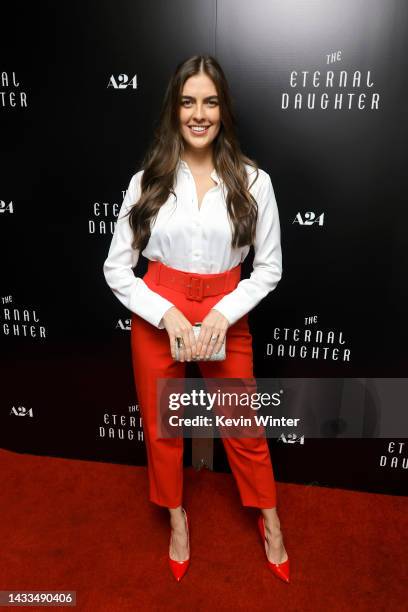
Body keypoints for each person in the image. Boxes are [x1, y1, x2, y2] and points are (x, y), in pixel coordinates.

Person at [103, 55, 289, 583]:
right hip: (159, 311)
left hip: (225, 311)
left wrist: (222, 315)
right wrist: (166, 314)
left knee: (243, 425)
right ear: (175, 111)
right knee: (164, 429)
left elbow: (268, 268)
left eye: (209, 102)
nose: (199, 114)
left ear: (223, 110)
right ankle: (177, 519)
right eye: (188, 102)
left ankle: (270, 522)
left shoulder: (256, 182)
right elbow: (117, 268)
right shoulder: (148, 181)